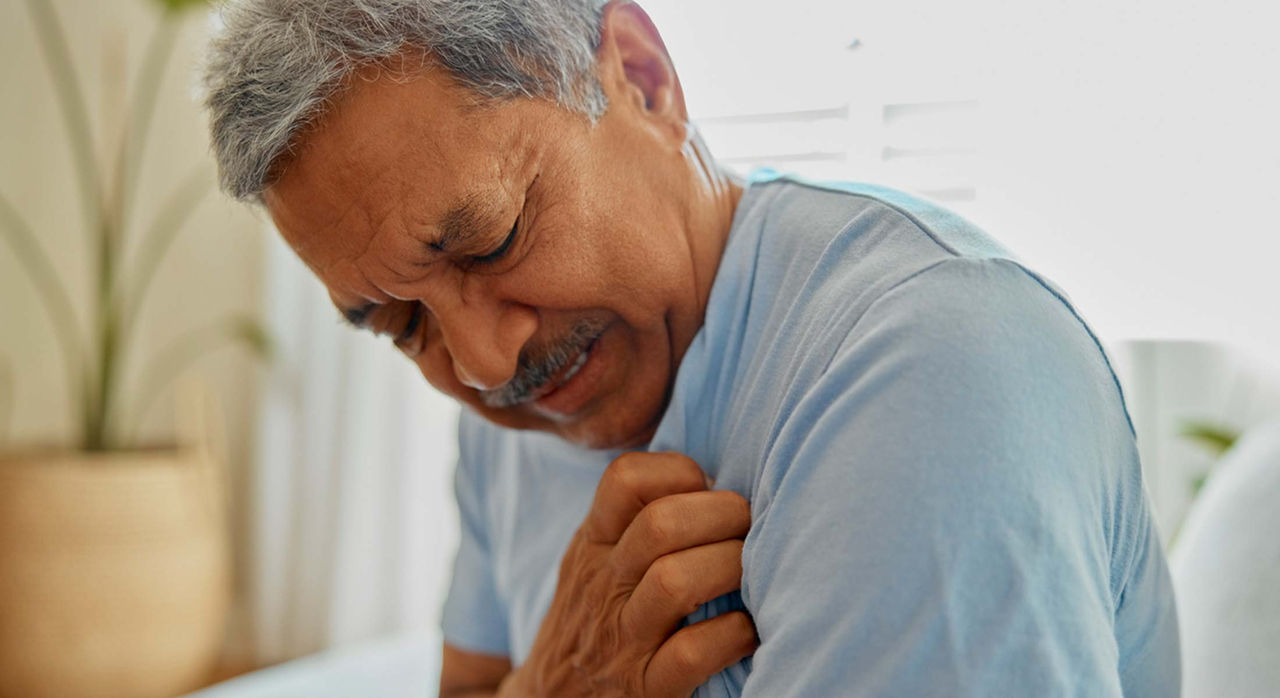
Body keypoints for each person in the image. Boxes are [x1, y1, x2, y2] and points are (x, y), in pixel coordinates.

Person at [203, 1, 1179, 695]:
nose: (482, 365)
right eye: (400, 324)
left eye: (492, 240)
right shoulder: (524, 389)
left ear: (641, 77)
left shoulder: (929, 374)